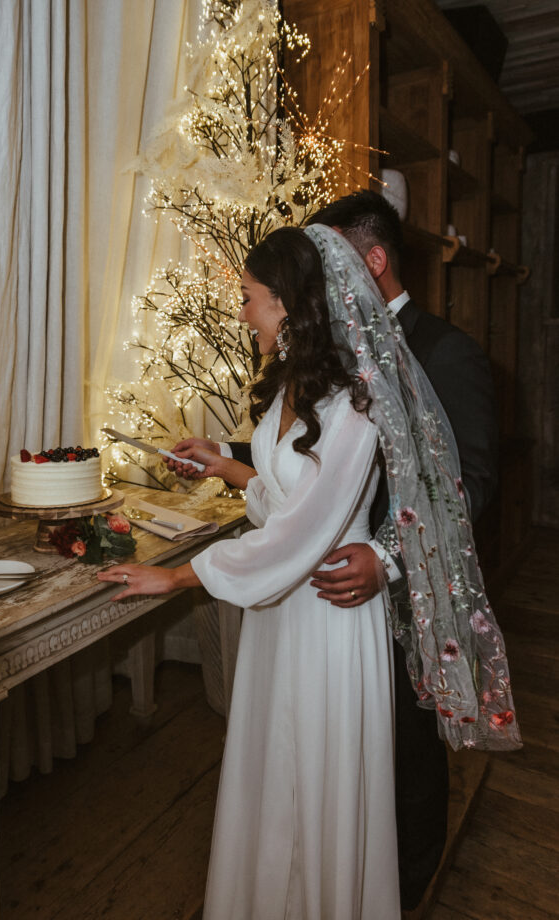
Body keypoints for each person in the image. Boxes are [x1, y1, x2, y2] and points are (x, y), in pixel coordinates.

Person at [100, 223, 520, 920]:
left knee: (327, 774)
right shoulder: (297, 380)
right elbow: (285, 495)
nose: (241, 313)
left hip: (331, 613)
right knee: (275, 767)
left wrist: (177, 579)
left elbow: (314, 524)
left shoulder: (359, 399)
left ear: (288, 303)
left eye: (248, 298)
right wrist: (234, 467)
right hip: (283, 614)